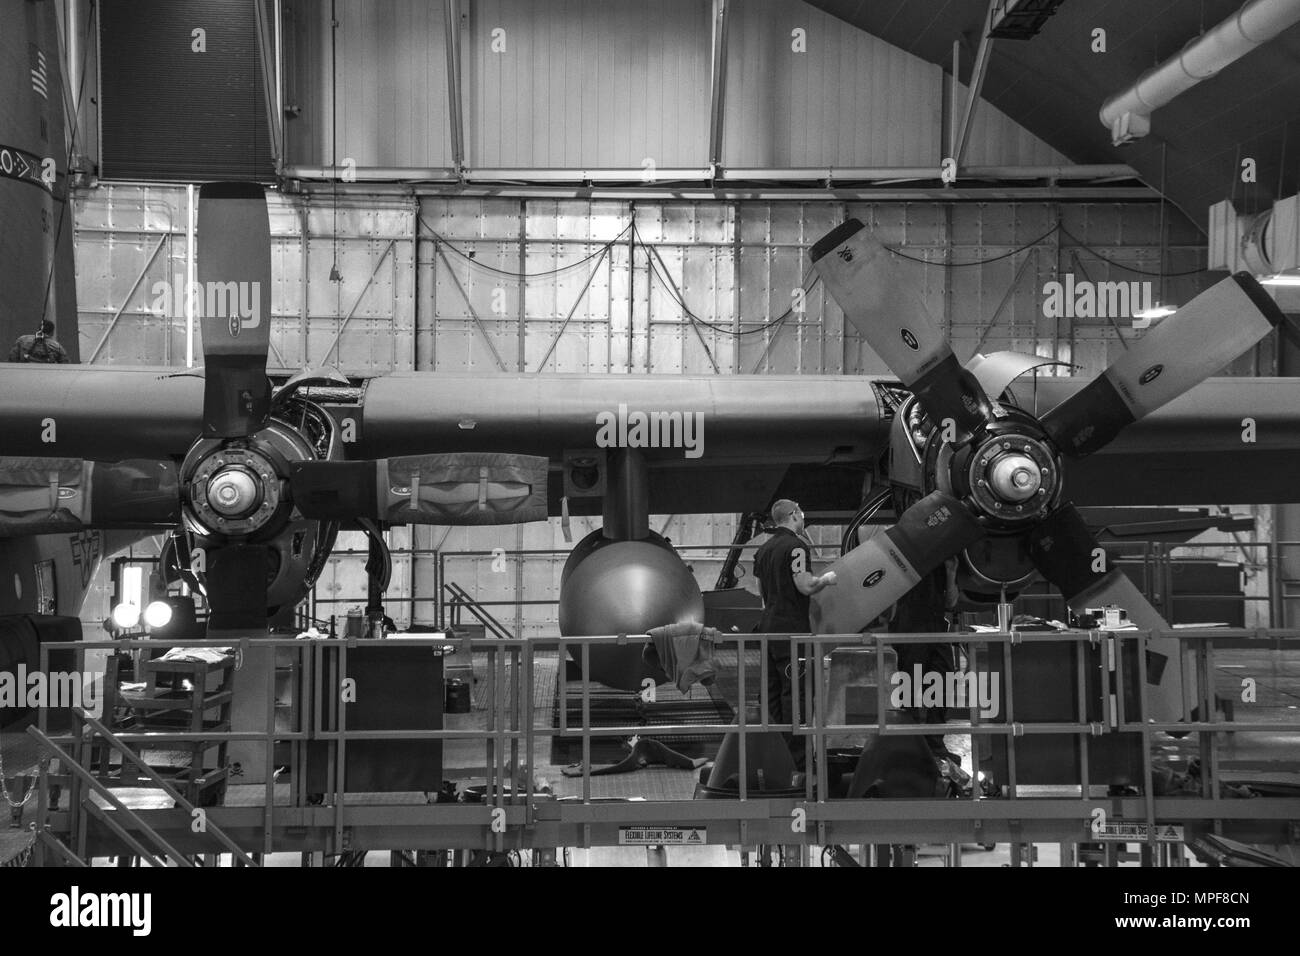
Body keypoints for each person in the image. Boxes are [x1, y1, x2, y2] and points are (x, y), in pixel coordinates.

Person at [752, 499, 837, 767]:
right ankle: (798, 762)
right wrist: (826, 579)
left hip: (768, 630)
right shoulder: (796, 547)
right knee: (796, 693)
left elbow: (761, 594)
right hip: (792, 634)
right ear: (793, 515)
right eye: (802, 513)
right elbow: (805, 586)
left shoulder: (763, 550)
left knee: (771, 692)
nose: (804, 518)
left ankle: (775, 755)